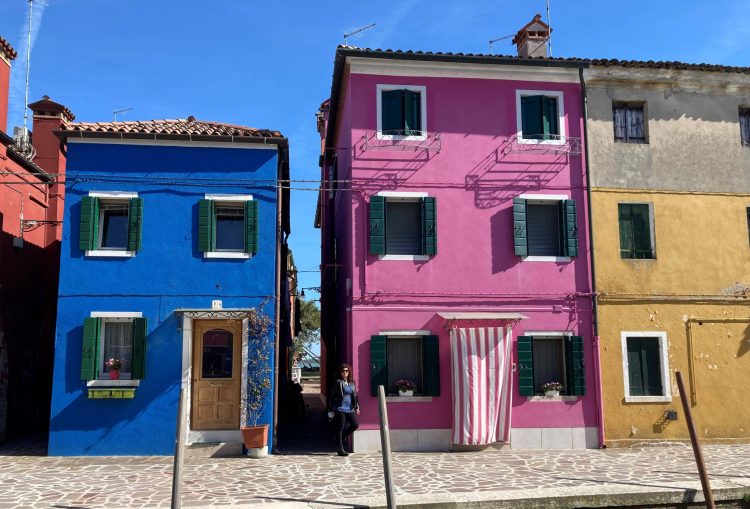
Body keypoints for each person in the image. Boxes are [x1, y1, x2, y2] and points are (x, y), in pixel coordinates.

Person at [327, 363, 360, 456]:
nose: (345, 373)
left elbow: (355, 395)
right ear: (340, 372)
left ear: (349, 372)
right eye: (343, 371)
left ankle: (341, 437)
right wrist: (330, 409)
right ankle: (340, 449)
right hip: (340, 407)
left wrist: (357, 406)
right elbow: (331, 396)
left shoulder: (352, 382)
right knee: (340, 427)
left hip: (350, 408)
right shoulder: (338, 382)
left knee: (355, 424)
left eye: (346, 371)